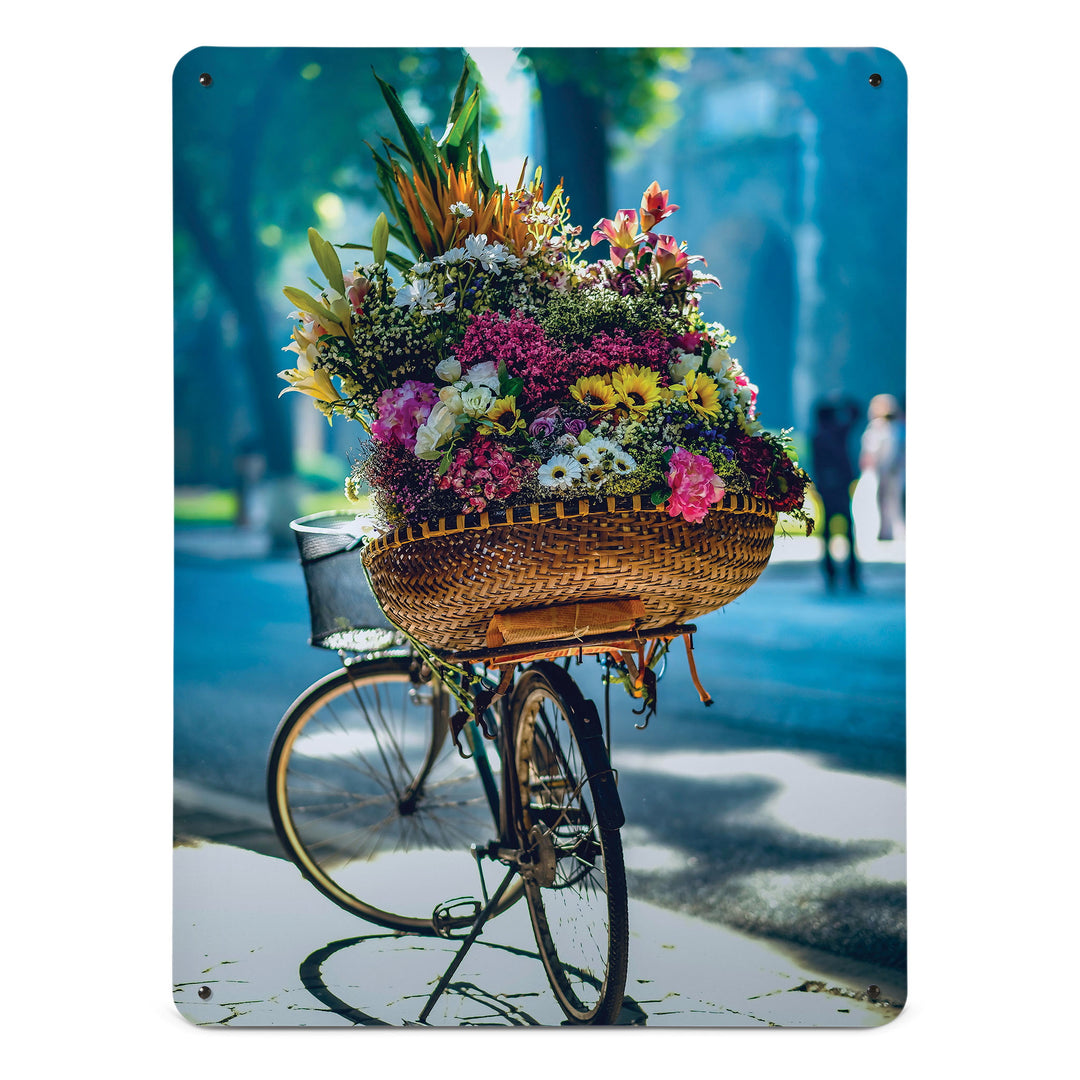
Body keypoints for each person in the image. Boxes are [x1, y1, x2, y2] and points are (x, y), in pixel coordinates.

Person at [810, 396, 862, 591]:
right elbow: (856, 412)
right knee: (848, 531)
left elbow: (816, 465)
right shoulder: (839, 432)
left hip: (827, 489)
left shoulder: (816, 436)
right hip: (841, 487)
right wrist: (841, 401)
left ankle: (830, 573)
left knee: (826, 531)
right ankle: (852, 574)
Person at [859, 393, 906, 541]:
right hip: (894, 472)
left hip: (884, 471)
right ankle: (889, 530)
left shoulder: (879, 428)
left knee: (886, 501)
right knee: (892, 502)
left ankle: (887, 531)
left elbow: (873, 452)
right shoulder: (898, 427)